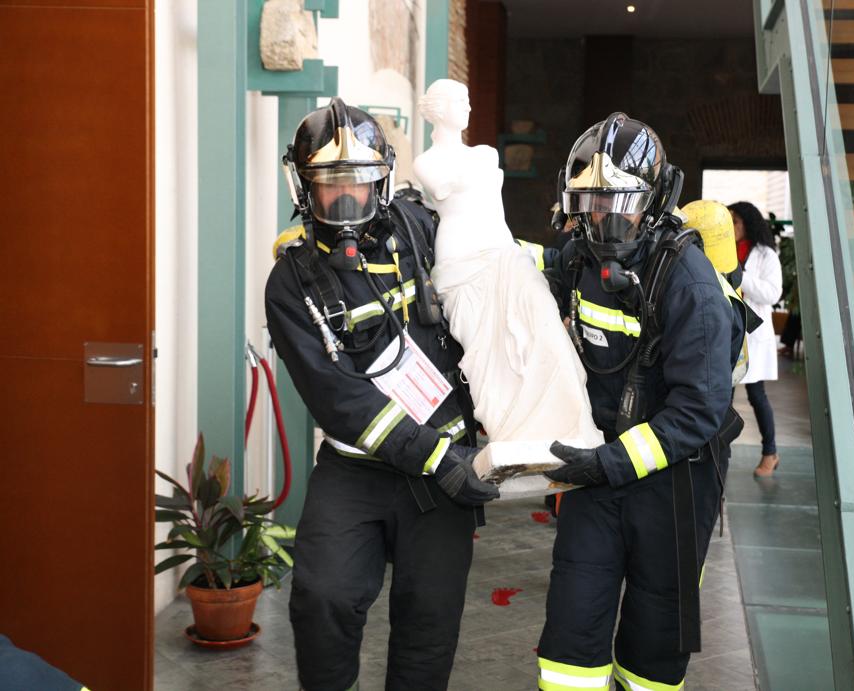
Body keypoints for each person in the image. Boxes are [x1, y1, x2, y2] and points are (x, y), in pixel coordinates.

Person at [264, 98, 499, 691]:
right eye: (330, 186)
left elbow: (490, 282)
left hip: (441, 474)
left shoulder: (422, 229)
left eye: (361, 185)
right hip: (358, 469)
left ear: (385, 181)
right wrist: (436, 458)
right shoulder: (290, 281)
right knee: (322, 599)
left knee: (429, 624)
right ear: (303, 186)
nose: (346, 200)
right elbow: (337, 399)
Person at [535, 113, 749, 691]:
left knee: (654, 651)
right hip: (596, 473)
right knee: (570, 639)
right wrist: (453, 238)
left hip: (677, 482)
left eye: (619, 200)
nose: (604, 216)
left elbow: (699, 412)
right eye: (592, 200)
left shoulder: (692, 283)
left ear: (653, 201)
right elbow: (521, 272)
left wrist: (605, 463)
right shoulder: (577, 260)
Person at [412, 79, 601, 457]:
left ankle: (568, 429)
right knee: (487, 357)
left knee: (544, 327)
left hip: (504, 252)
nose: (467, 107)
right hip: (462, 261)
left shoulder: (483, 152)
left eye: (468, 100)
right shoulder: (426, 162)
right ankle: (513, 434)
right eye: (460, 101)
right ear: (439, 108)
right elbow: (443, 187)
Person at [728, 201, 784, 477]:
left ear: (748, 223)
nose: (732, 226)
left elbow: (772, 294)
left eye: (736, 222)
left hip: (753, 335)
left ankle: (770, 452)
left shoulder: (766, 256)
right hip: (728, 331)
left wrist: (742, 277)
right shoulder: (723, 250)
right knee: (721, 396)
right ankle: (718, 449)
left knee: (756, 395)